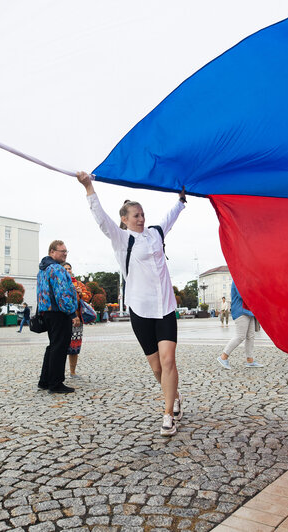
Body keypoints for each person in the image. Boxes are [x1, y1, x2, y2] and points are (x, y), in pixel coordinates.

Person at [77, 171, 186, 436]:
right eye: (135, 215)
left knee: (168, 360)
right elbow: (101, 220)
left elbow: (170, 216)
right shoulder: (121, 239)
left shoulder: (156, 233)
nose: (141, 218)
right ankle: (174, 396)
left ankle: (168, 413)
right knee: (157, 367)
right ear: (124, 220)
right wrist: (89, 187)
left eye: (142, 214)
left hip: (166, 308)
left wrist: (181, 200)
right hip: (140, 310)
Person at [36, 240, 79, 394]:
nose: (65, 254)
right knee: (59, 347)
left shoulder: (42, 269)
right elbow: (62, 293)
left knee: (52, 346)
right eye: (62, 251)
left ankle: (45, 380)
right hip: (59, 312)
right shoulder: (57, 269)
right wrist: (71, 312)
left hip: (47, 312)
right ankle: (56, 383)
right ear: (52, 252)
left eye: (66, 251)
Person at [218, 282, 265, 369]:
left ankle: (250, 361)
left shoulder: (245, 278)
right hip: (240, 311)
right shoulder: (237, 279)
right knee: (240, 336)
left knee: (250, 336)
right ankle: (223, 357)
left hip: (248, 311)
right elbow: (242, 295)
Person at [62, 262, 92, 378]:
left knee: (75, 346)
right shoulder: (60, 282)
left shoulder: (78, 283)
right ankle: (59, 372)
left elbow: (88, 297)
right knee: (61, 346)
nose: (68, 270)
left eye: (69, 268)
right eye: (65, 269)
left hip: (77, 319)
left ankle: (72, 372)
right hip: (63, 319)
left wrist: (81, 293)